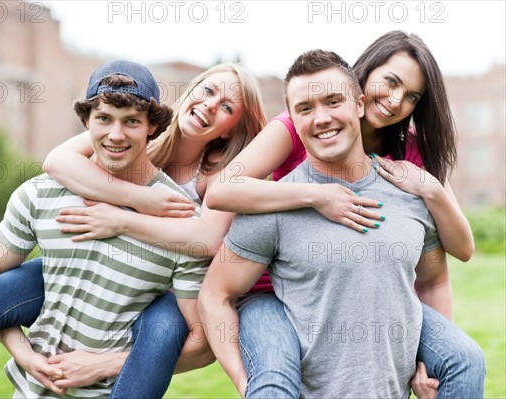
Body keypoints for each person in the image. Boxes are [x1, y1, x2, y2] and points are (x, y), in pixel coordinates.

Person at [0, 62, 268, 398]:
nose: (116, 133)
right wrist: (136, 198)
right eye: (207, 91)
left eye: (226, 107)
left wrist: (121, 219)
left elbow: (206, 240)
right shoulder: (125, 141)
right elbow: (56, 162)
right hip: (92, 263)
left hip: (164, 292)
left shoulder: (217, 178)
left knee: (162, 333)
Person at [205, 31, 484, 398]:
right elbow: (222, 191)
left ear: (358, 102)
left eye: (412, 96)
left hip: (360, 287)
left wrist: (431, 187)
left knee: (465, 358)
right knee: (272, 381)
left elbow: (452, 259)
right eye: (392, 81)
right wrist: (316, 195)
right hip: (269, 289)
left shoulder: (409, 167)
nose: (396, 100)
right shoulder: (290, 131)